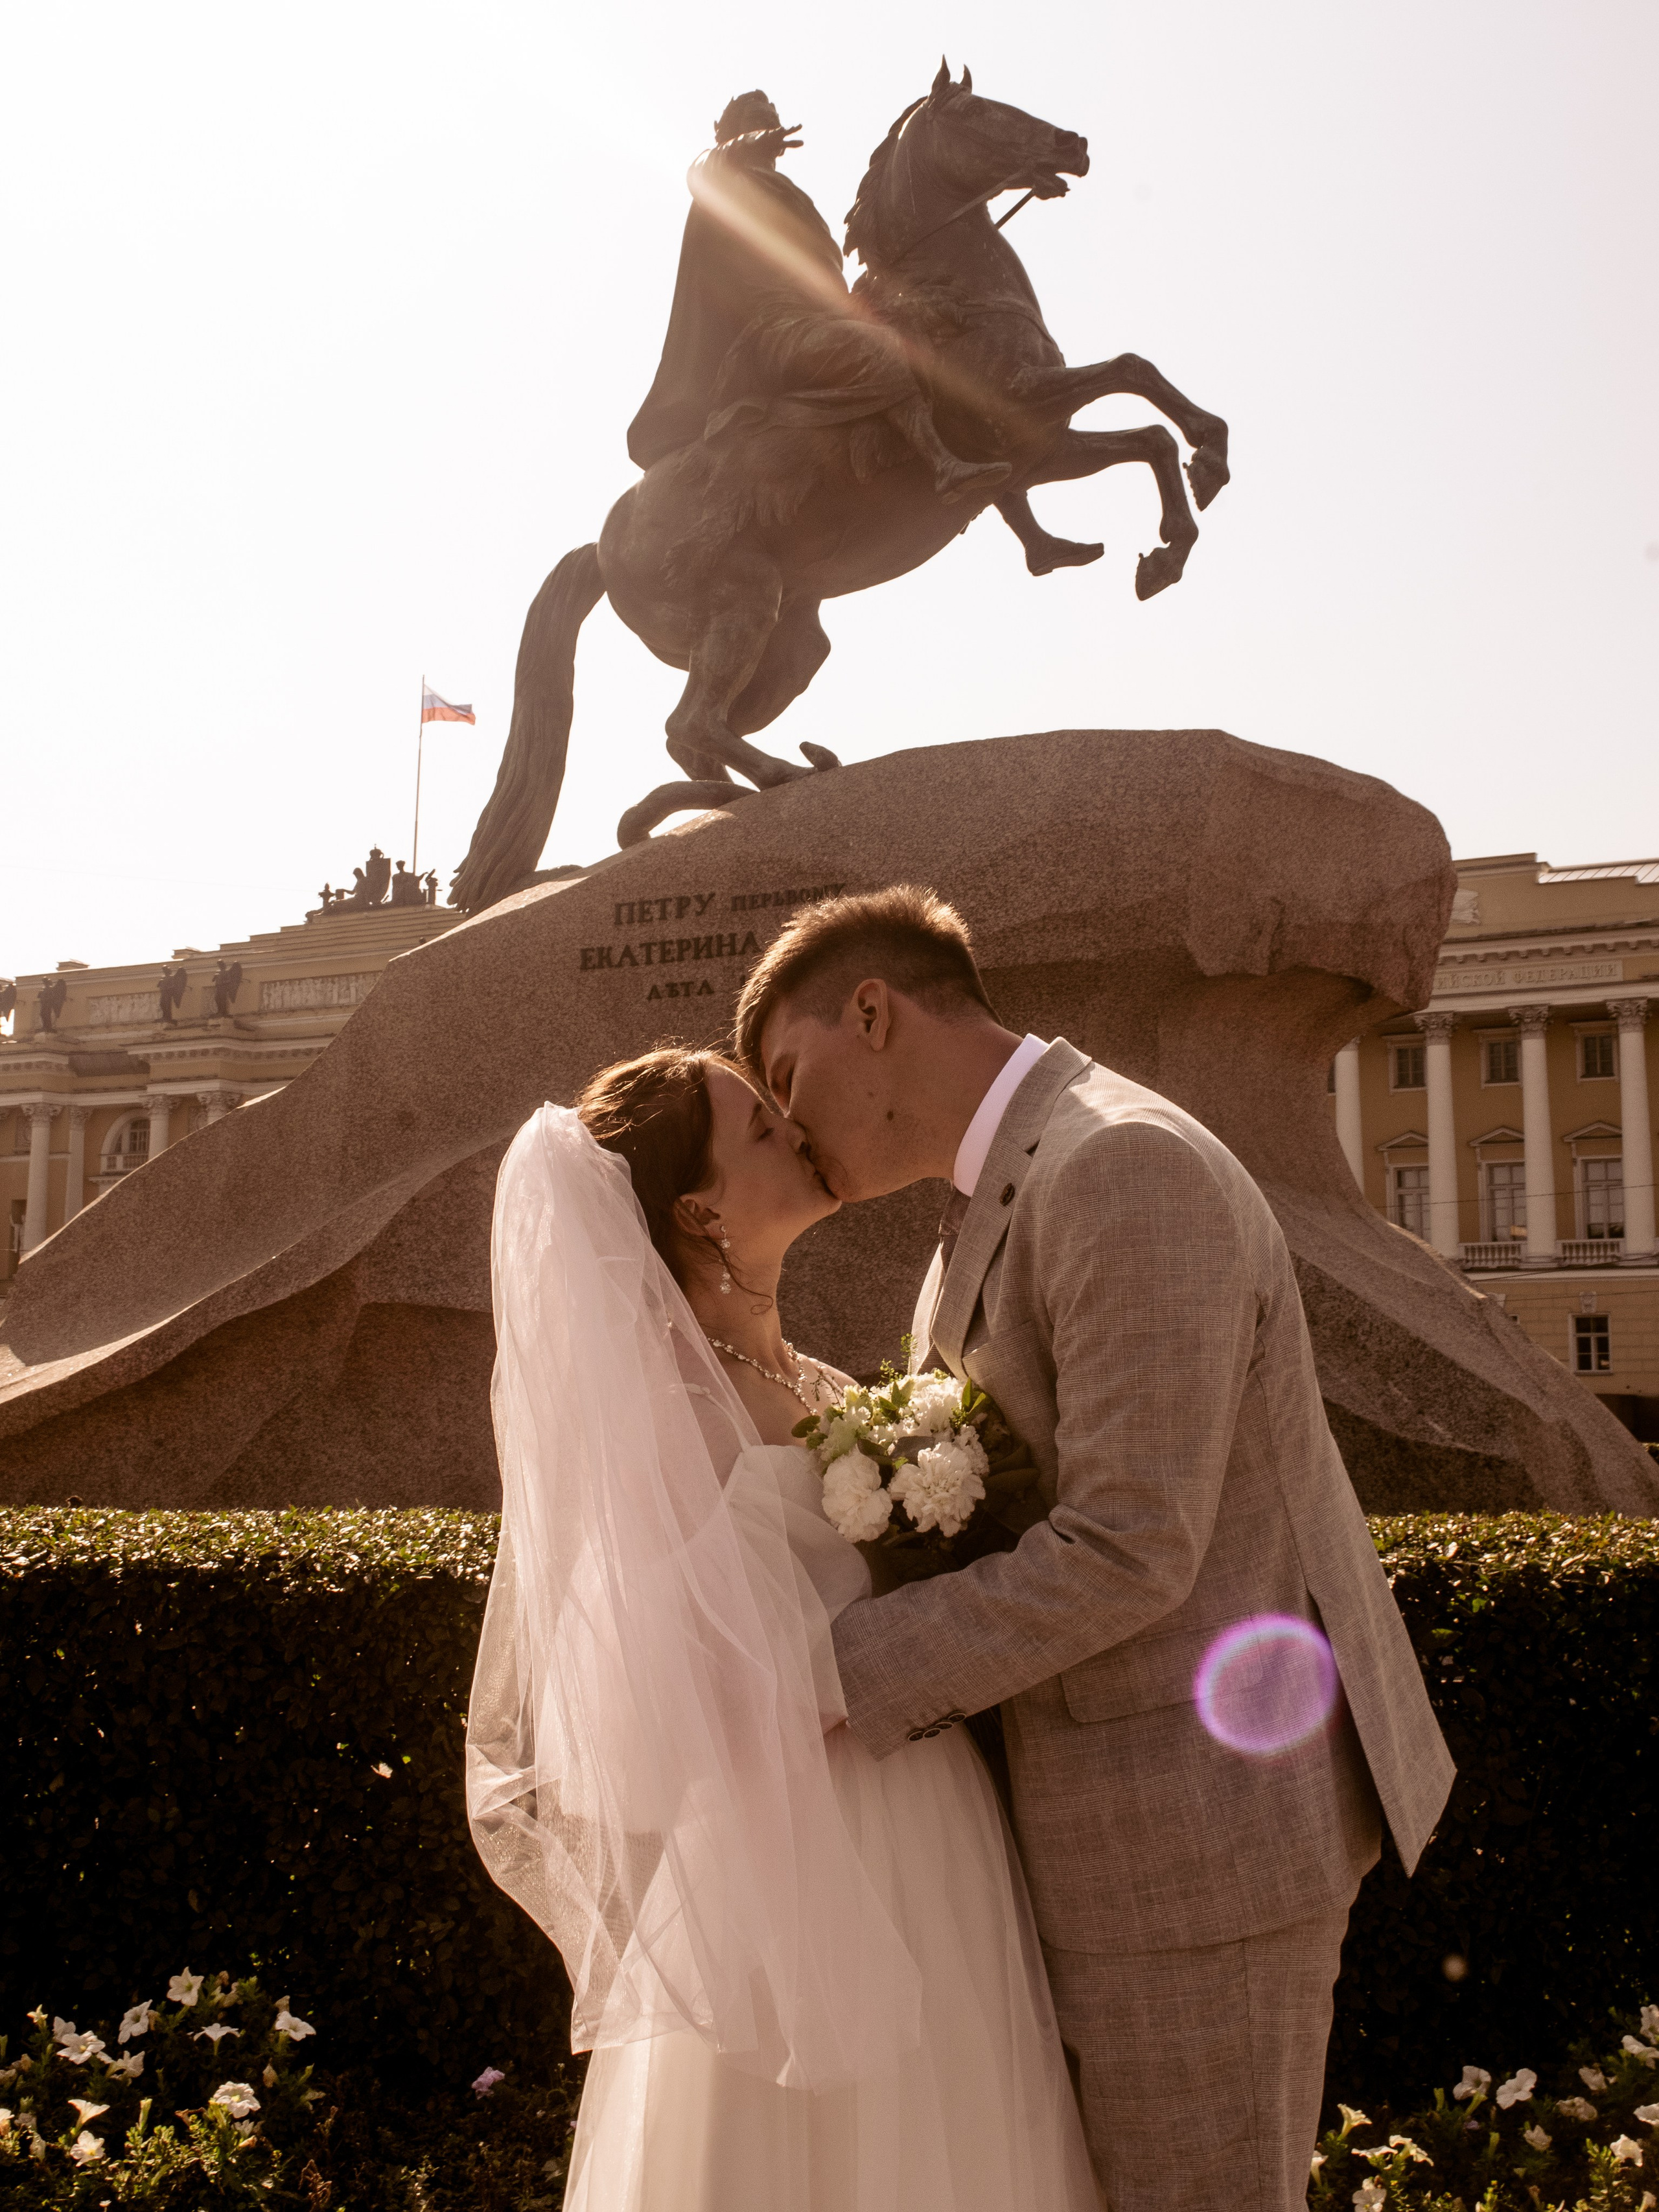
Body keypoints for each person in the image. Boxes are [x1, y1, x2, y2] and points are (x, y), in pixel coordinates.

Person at [733, 885, 1457, 2212]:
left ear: (875, 1011)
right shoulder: (994, 1200)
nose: (787, 1125)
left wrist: (828, 1672)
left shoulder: (1123, 1164)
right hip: (1111, 1835)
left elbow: (1129, 1543)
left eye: (787, 1075)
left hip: (1192, 1848)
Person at [466, 1047, 1098, 2212]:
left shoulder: (803, 1373)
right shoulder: (656, 1401)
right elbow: (659, 1675)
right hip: (811, 1851)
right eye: (761, 1127)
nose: (797, 1132)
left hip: (931, 1812)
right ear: (700, 1209)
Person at [628, 89, 1009, 506]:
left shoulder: (779, 190)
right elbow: (702, 170)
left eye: (771, 120)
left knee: (936, 348)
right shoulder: (722, 180)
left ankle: (1029, 529)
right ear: (732, 134)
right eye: (757, 121)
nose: (770, 128)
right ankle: (943, 467)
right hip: (775, 330)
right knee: (884, 352)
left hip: (814, 320)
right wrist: (748, 145)